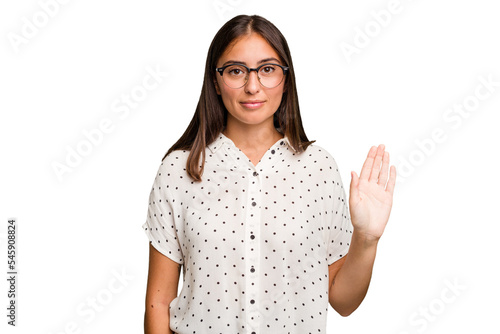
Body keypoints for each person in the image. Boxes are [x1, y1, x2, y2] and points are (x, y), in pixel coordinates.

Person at [142, 14, 396, 334]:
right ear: (216, 81)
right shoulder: (178, 170)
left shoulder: (319, 169)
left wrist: (367, 239)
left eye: (267, 70)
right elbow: (158, 301)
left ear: (285, 79)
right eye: (236, 71)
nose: (252, 86)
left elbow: (343, 301)